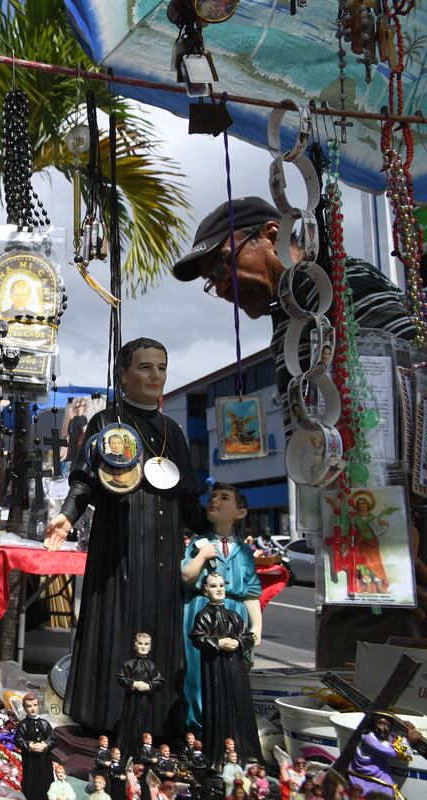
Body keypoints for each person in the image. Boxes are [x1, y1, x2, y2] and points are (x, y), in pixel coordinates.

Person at [170, 196, 423, 665]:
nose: (223, 287)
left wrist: (405, 510)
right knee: (351, 660)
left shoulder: (343, 285)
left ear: (271, 234)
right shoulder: (290, 315)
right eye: (212, 281)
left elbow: (404, 389)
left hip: (387, 518)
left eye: (224, 264)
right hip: (349, 517)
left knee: (380, 659)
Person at [46, 338, 206, 738]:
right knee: (117, 625)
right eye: (145, 367)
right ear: (123, 374)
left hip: (165, 554)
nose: (155, 376)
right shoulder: (107, 423)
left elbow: (188, 499)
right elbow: (84, 481)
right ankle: (106, 719)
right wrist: (67, 517)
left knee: (161, 631)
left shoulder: (173, 432)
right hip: (119, 548)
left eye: (161, 368)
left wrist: (218, 533)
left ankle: (158, 725)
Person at [181, 484, 262, 733]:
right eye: (213, 496)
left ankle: (229, 730)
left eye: (224, 498)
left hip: (234, 617)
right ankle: (197, 729)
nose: (215, 500)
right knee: (197, 673)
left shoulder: (244, 552)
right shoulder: (198, 544)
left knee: (233, 671)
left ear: (240, 513)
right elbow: (186, 576)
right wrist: (202, 555)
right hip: (200, 614)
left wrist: (257, 627)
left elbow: (250, 592)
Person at [190, 573, 262, 768]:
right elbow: (197, 638)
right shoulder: (203, 616)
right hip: (215, 670)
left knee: (241, 706)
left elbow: (248, 637)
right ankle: (219, 758)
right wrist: (218, 642)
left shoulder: (234, 616)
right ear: (205, 590)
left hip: (236, 669)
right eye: (214, 586)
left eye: (222, 585)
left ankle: (246, 754)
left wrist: (238, 642)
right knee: (218, 706)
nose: (219, 589)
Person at [343, 712, 421, 799]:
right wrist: (409, 741)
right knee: (387, 791)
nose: (385, 728)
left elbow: (391, 741)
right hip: (368, 772)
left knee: (390, 790)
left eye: (388, 726)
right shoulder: (369, 739)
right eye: (381, 723)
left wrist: (406, 730)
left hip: (378, 771)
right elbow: (393, 753)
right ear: (373, 723)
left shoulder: (380, 735)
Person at [116, 633, 164, 760]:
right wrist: (133, 683)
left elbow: (159, 682)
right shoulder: (129, 664)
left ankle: (143, 754)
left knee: (144, 725)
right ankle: (127, 752)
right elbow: (120, 678)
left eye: (146, 644)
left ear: (150, 647)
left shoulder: (152, 666)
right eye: (140, 643)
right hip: (131, 701)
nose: (143, 646)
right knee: (129, 724)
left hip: (146, 702)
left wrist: (149, 686)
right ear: (135, 645)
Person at [15, 692, 56, 800]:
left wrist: (45, 745)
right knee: (31, 781)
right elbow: (18, 740)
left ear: (38, 705)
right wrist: (30, 745)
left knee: (45, 780)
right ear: (24, 708)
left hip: (44, 760)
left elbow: (53, 739)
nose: (33, 709)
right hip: (30, 760)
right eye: (29, 706)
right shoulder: (23, 725)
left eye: (35, 705)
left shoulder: (45, 724)